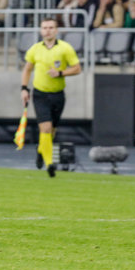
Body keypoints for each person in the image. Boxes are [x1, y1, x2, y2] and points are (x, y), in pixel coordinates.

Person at [21, 17, 81, 177]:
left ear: (56, 30)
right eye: (44, 27)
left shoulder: (65, 48)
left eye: (50, 27)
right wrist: (24, 89)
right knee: (45, 127)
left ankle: (42, 149)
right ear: (41, 30)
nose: (47, 30)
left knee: (51, 130)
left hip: (58, 94)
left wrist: (61, 73)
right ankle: (49, 164)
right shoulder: (35, 49)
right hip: (40, 94)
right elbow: (27, 69)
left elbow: (77, 68)